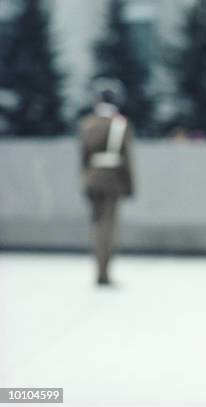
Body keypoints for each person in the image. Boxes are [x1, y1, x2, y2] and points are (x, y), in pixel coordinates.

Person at [79, 78, 134, 286]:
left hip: (93, 177)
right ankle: (104, 271)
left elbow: (83, 157)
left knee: (96, 224)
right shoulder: (120, 123)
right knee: (108, 226)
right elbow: (127, 159)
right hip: (112, 179)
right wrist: (129, 185)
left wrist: (84, 180)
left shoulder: (87, 123)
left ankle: (98, 267)